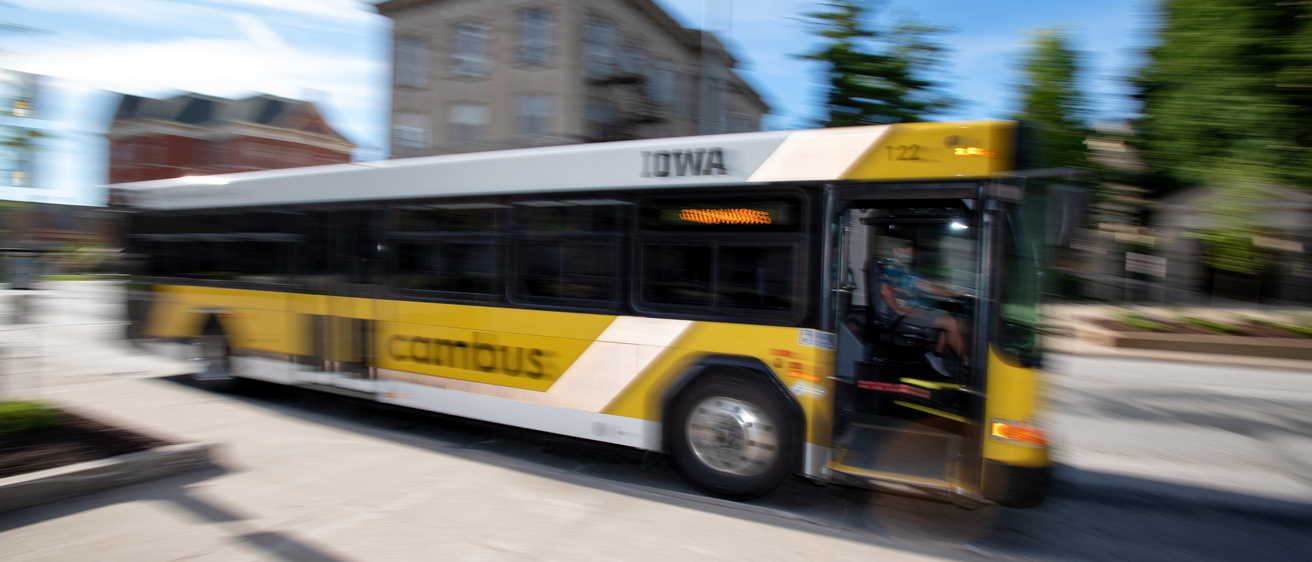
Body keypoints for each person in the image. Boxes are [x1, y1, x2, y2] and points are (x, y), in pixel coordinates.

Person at [878, 238, 967, 376]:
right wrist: (898, 310)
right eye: (905, 253)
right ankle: (968, 363)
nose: (908, 256)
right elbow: (885, 291)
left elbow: (925, 285)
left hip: (913, 309)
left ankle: (937, 354)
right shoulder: (890, 268)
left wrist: (950, 294)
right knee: (952, 323)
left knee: (947, 314)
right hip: (902, 314)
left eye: (910, 254)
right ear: (895, 251)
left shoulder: (904, 268)